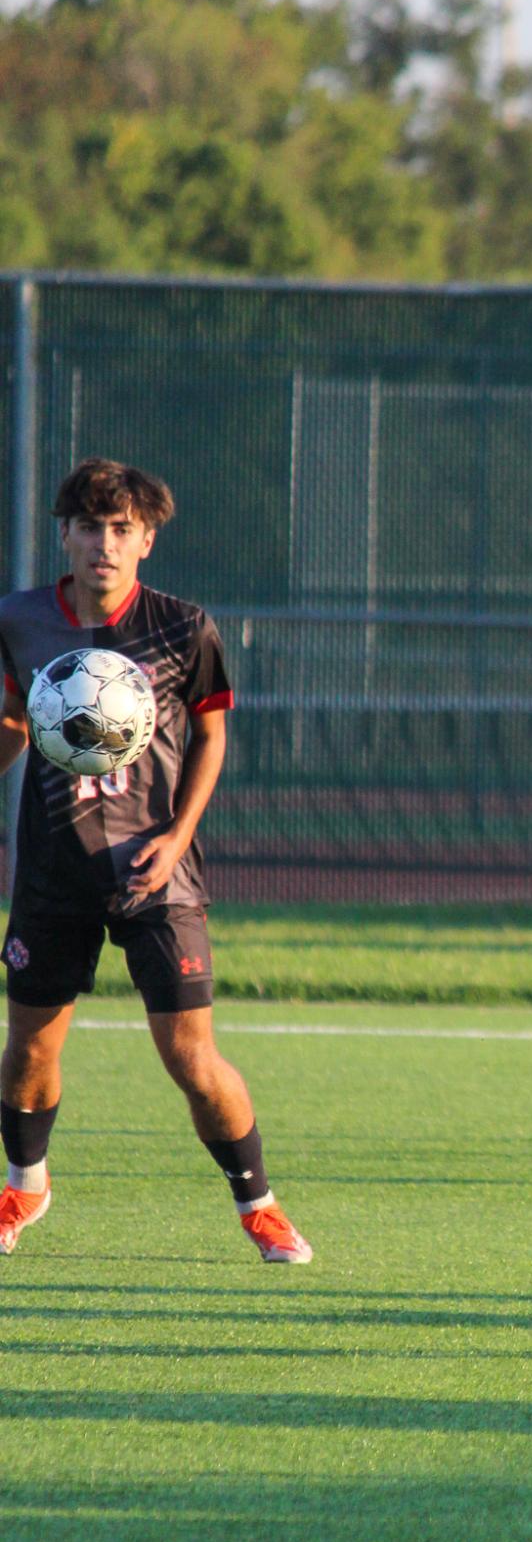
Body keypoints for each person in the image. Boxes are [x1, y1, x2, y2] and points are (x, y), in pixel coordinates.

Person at [0, 457, 311, 1264]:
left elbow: (211, 730)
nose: (105, 542)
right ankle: (25, 1185)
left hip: (156, 873)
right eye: (91, 527)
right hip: (53, 871)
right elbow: (13, 722)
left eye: (122, 530)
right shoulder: (19, 621)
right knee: (31, 1044)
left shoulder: (182, 626)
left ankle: (260, 1205)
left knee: (190, 1056)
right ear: (63, 534)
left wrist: (178, 833)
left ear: (147, 541)